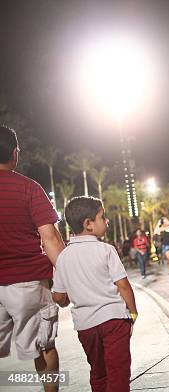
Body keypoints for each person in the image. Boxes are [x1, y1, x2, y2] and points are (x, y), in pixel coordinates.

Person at [0, 125, 65, 392]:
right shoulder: (28, 188)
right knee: (44, 346)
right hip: (28, 283)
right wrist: (65, 282)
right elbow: (49, 238)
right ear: (15, 153)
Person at [51, 196, 137, 392]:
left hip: (86, 326)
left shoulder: (63, 257)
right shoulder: (106, 250)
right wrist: (132, 312)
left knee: (98, 372)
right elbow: (123, 285)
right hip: (114, 320)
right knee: (118, 372)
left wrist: (66, 300)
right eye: (102, 217)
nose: (106, 221)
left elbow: (58, 297)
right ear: (89, 224)